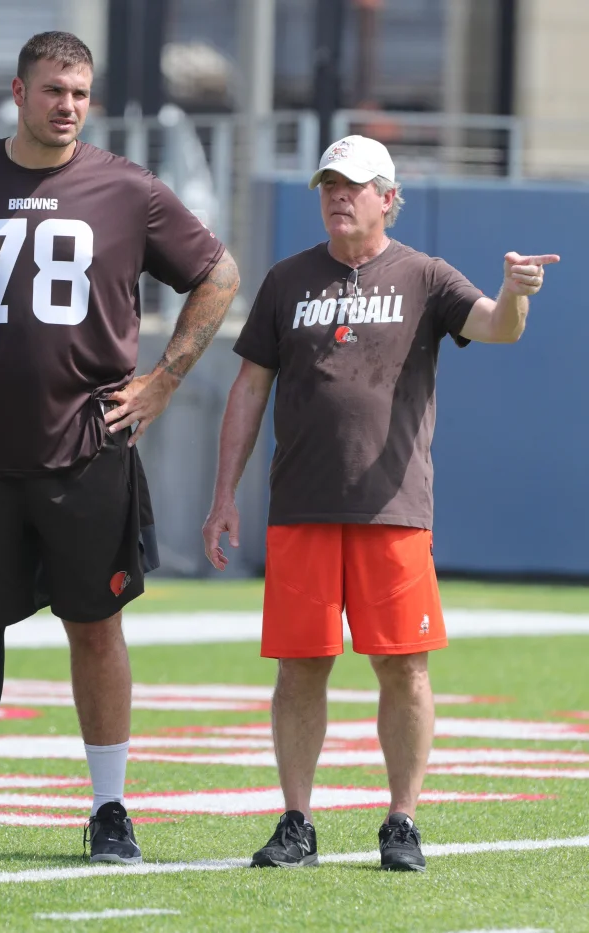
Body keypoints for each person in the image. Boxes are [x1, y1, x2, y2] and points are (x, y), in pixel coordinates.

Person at [0, 31, 239, 864]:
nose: (68, 105)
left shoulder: (127, 189)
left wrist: (165, 377)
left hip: (87, 447)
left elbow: (218, 274)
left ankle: (109, 811)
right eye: (54, 89)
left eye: (80, 92)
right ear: (20, 93)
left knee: (94, 625)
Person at [202, 134, 558, 872]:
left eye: (354, 185)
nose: (338, 195)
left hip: (392, 507)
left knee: (404, 667)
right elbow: (249, 389)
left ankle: (402, 820)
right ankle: (297, 820)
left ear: (387, 198)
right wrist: (222, 495)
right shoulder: (286, 279)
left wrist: (518, 294)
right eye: (329, 183)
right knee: (300, 666)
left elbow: (495, 326)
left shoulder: (424, 274)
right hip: (299, 505)